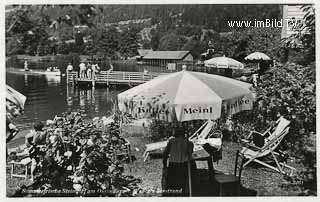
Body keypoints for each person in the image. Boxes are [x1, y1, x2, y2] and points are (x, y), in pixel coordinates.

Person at [163, 127, 194, 196]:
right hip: (184, 166)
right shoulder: (189, 143)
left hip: (173, 165)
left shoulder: (171, 142)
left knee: (173, 184)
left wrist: (165, 166)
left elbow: (165, 154)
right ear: (184, 134)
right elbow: (190, 152)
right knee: (182, 184)